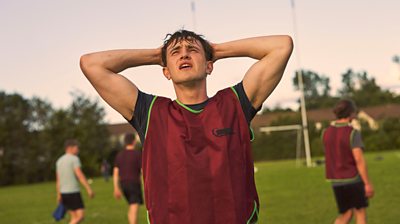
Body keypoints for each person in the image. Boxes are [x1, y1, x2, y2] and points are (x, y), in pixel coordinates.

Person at [80, 29, 293, 224]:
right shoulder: (151, 112)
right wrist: (157, 55)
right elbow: (91, 64)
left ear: (209, 65)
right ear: (166, 72)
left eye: (192, 50)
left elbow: (282, 45)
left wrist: (216, 50)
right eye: (175, 52)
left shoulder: (235, 103)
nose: (184, 55)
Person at [322, 99, 374, 224]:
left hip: (335, 181)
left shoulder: (326, 132)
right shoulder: (352, 133)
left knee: (346, 214)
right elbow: (359, 160)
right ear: (351, 113)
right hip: (353, 179)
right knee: (360, 213)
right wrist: (367, 183)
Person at [56, 139, 94, 224]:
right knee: (80, 216)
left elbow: (58, 180)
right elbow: (80, 175)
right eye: (77, 148)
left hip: (63, 193)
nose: (78, 150)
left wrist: (58, 194)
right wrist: (89, 189)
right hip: (73, 192)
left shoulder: (59, 161)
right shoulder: (74, 159)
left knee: (74, 217)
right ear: (70, 148)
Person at [113, 133, 143, 224]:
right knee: (134, 207)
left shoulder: (119, 155)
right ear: (134, 141)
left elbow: (115, 173)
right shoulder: (137, 154)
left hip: (123, 184)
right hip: (133, 184)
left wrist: (116, 188)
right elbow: (143, 171)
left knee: (131, 206)